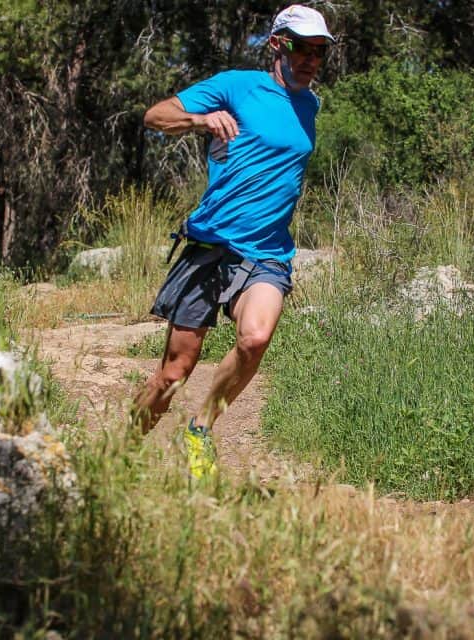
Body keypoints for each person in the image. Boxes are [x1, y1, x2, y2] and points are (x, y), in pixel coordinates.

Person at [130, 5, 335, 478]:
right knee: (174, 373)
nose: (310, 59)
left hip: (266, 252)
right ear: (277, 44)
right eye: (301, 48)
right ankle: (122, 450)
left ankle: (200, 428)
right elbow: (155, 116)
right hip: (210, 245)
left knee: (255, 338)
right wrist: (201, 122)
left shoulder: (311, 106)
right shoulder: (236, 86)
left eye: (319, 51)